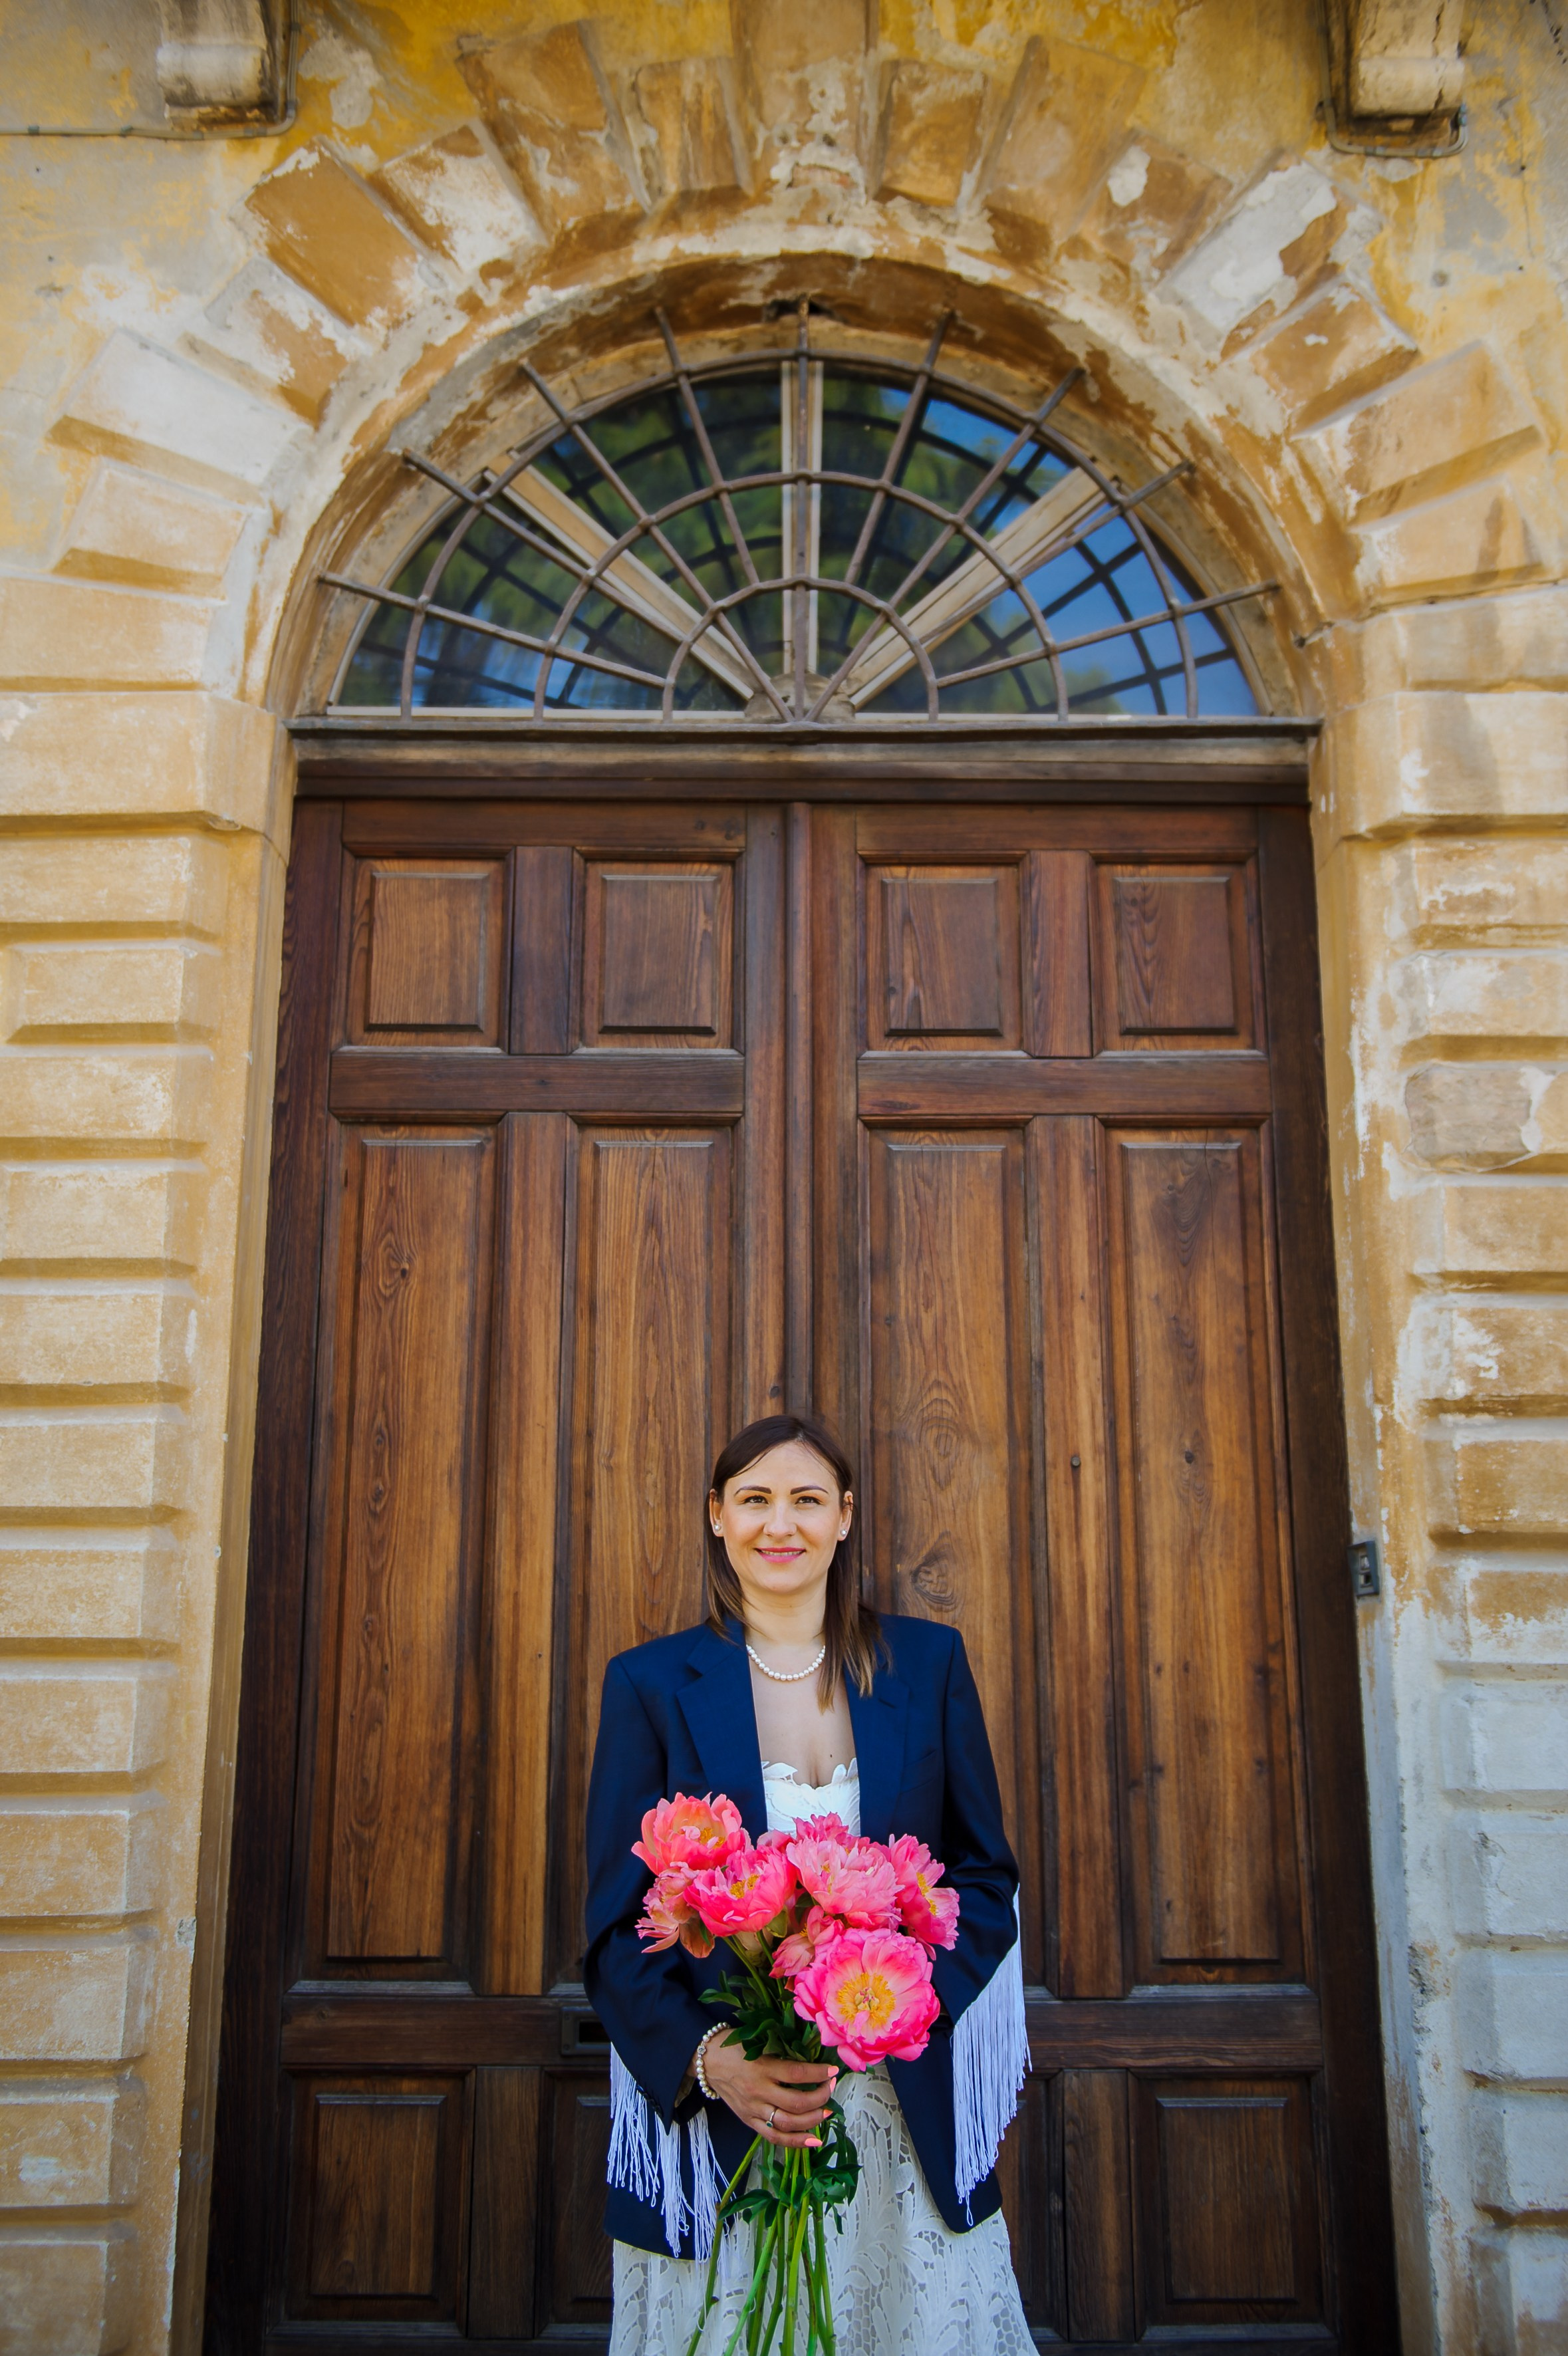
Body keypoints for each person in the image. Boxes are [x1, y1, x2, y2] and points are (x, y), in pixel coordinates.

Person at [584, 1411, 1033, 2355]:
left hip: (897, 2103)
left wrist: (901, 2012)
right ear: (716, 1516)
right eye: (753, 1500)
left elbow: (984, 1877)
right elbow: (615, 1929)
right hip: (724, 2114)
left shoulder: (928, 1663)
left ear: (843, 1517)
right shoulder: (651, 1684)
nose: (777, 1524)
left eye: (805, 1500)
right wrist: (713, 2063)